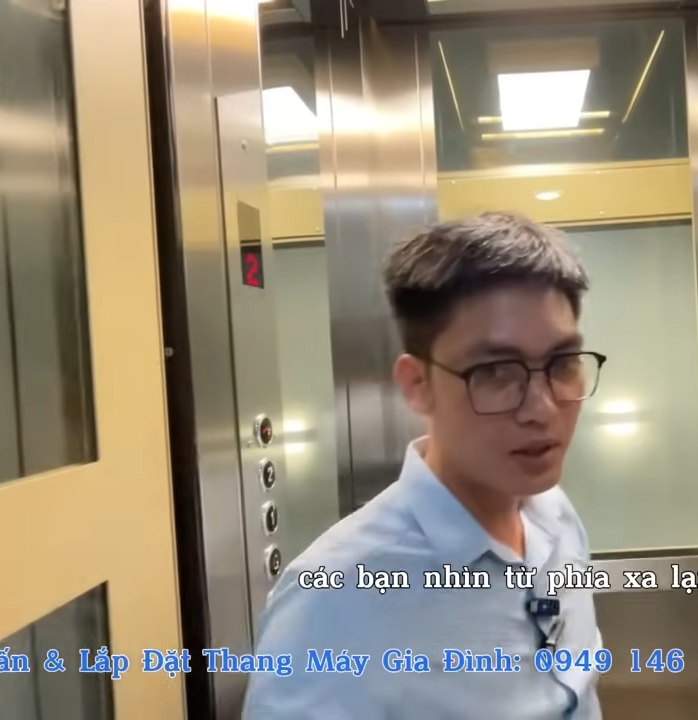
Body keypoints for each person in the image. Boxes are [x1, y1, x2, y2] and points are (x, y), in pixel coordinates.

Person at [243, 212, 607, 719]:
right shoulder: (334, 599)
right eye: (495, 372)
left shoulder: (557, 519)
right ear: (418, 385)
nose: (542, 409)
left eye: (562, 364)